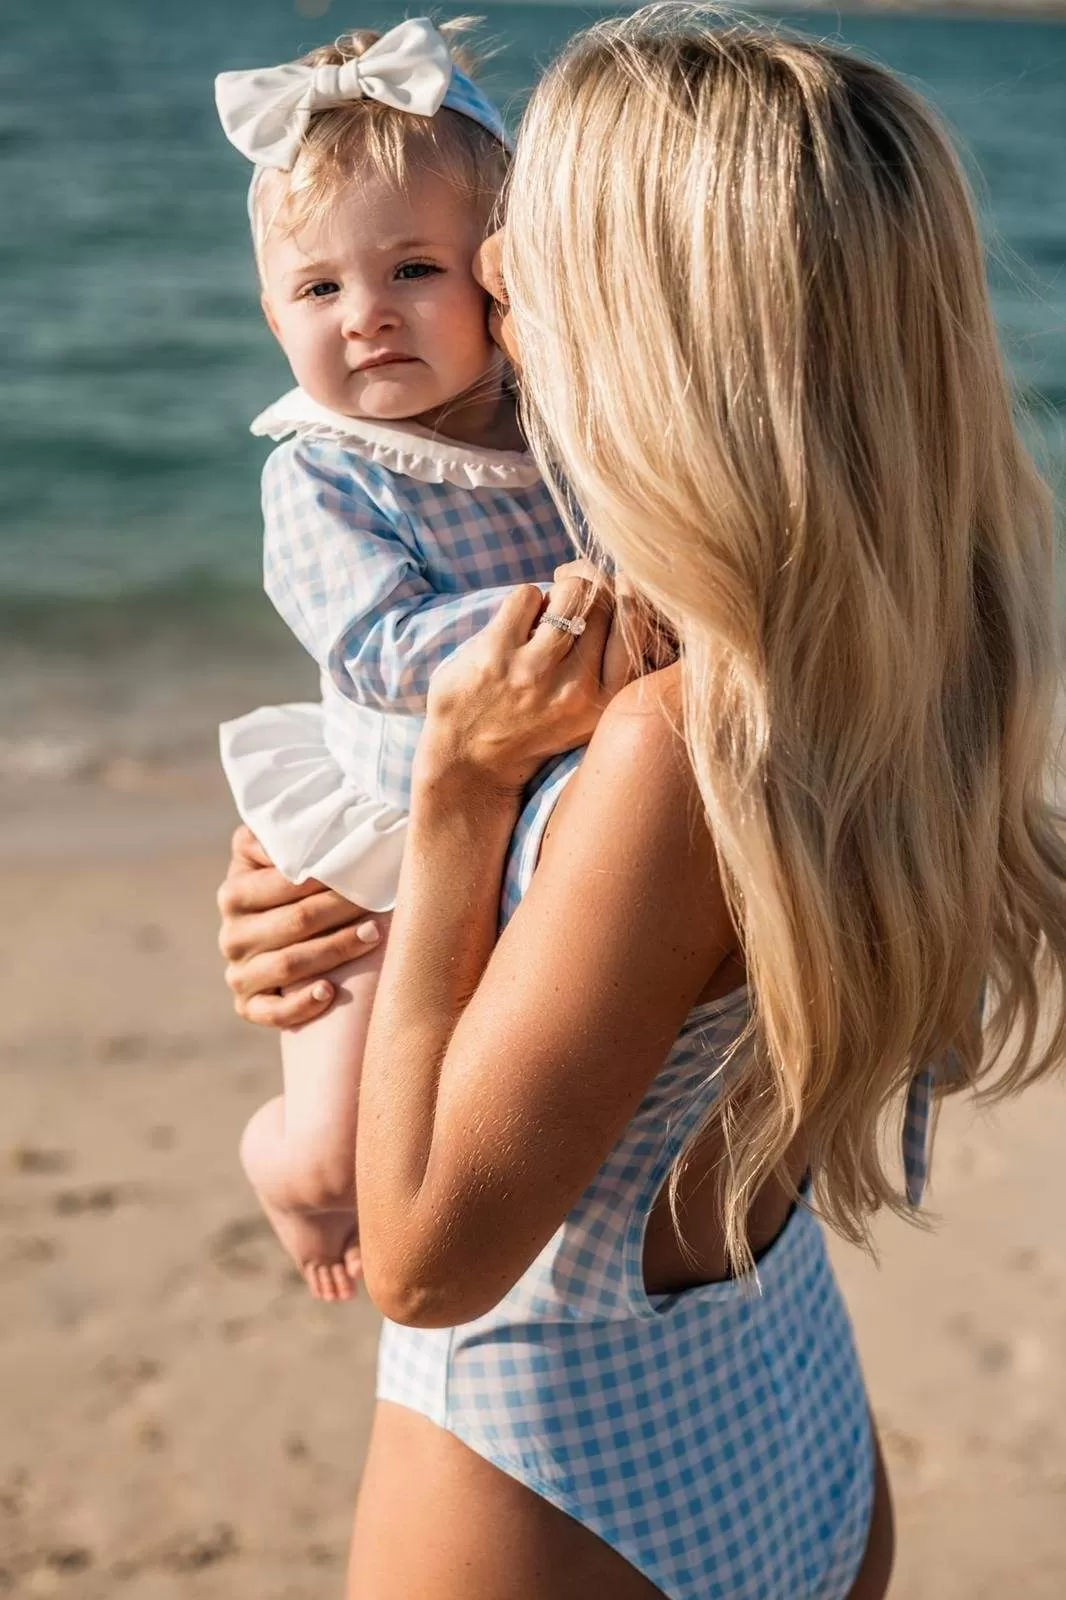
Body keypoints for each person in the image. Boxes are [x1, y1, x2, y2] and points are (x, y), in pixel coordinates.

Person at [217, 9, 1066, 1597]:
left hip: (549, 1467)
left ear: (645, 319)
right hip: (788, 1397)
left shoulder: (676, 740)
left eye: (517, 259)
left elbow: (418, 1261)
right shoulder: (914, 638)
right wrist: (332, 868)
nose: (491, 290)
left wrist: (462, 809)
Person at [213, 19, 577, 1299]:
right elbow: (375, 643)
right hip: (385, 827)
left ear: (500, 277)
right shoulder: (320, 470)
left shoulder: (556, 425)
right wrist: (564, 623)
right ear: (272, 313)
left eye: (411, 269)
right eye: (317, 290)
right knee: (339, 1145)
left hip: (518, 798)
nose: (364, 317)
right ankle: (292, 1189)